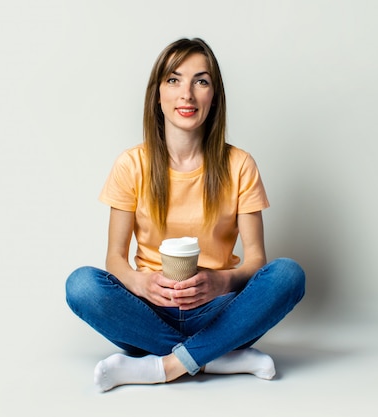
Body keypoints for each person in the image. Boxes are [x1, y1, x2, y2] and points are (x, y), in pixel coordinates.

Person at [65, 37, 305, 392]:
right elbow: (114, 259)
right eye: (174, 80)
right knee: (81, 285)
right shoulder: (131, 164)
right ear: (157, 95)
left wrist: (220, 282)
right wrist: (141, 283)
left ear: (214, 96)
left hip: (219, 309)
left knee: (288, 275)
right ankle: (217, 356)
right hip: (149, 312)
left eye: (201, 81)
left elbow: (257, 259)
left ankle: (164, 366)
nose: (187, 94)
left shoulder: (239, 165)